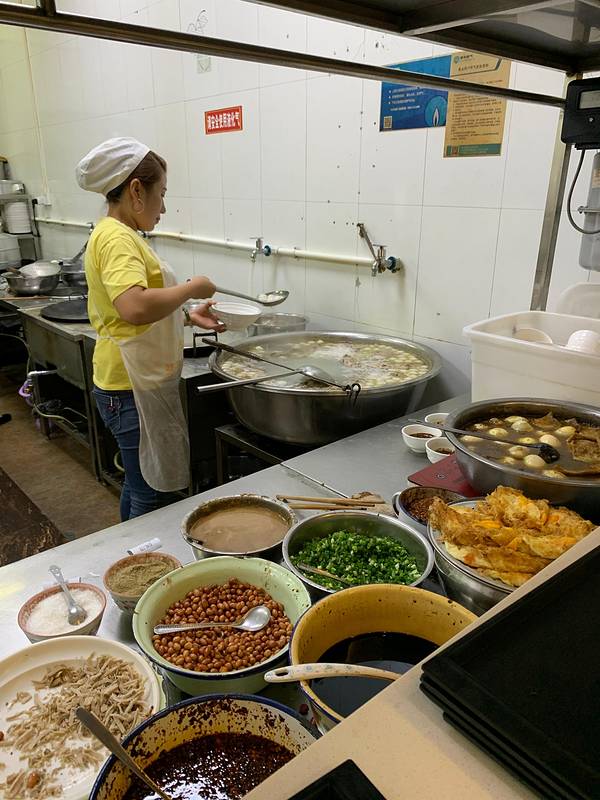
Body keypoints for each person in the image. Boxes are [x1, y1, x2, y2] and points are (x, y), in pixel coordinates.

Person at [76, 137, 225, 521]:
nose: (164, 207)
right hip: (128, 386)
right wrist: (192, 288)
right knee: (150, 495)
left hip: (129, 381)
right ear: (136, 190)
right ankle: (141, 555)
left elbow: (135, 306)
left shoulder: (118, 234)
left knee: (138, 482)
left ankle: (131, 549)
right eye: (162, 193)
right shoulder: (116, 238)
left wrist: (187, 316)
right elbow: (134, 307)